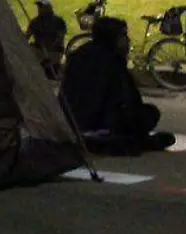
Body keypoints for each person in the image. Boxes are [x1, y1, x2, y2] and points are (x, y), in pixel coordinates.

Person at [59, 16, 175, 153]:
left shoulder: (79, 54)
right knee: (148, 114)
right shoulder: (112, 61)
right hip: (101, 122)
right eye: (123, 36)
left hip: (70, 119)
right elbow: (126, 98)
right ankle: (124, 140)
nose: (127, 40)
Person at [26, 0, 68, 78]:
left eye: (42, 7)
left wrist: (48, 45)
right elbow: (27, 36)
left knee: (51, 68)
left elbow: (60, 38)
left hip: (54, 51)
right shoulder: (35, 22)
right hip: (39, 51)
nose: (40, 9)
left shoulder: (58, 21)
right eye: (39, 7)